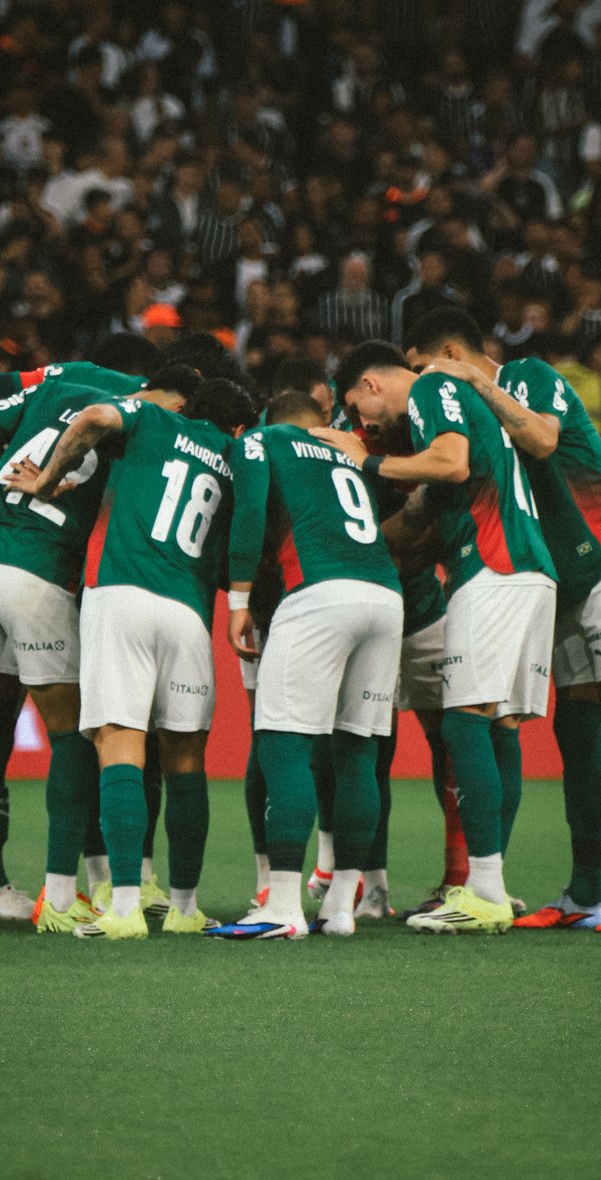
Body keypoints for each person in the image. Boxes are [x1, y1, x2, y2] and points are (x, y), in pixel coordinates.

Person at [0, 370, 192, 935]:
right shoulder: (144, 430)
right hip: (38, 573)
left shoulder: (58, 390)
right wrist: (51, 484)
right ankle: (61, 898)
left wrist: (0, 470)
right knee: (71, 737)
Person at [404, 306, 601, 933]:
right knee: (575, 732)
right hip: (564, 580)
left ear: (450, 353)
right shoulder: (471, 414)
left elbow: (544, 440)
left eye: (424, 367)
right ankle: (584, 894)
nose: (425, 382)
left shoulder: (526, 375)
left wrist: (477, 381)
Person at [316, 339, 558, 935]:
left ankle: (484, 890)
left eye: (359, 410)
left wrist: (365, 462)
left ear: (371, 385)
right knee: (498, 726)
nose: (365, 427)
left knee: (464, 724)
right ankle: (487, 886)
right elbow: (418, 515)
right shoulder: (448, 420)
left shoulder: (430, 388)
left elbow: (450, 463)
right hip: (527, 569)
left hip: (493, 566)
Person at [6, 378, 257, 940]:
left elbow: (96, 417)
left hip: (121, 594)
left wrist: (46, 481)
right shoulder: (236, 462)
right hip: (188, 611)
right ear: (238, 427)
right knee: (185, 759)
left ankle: (123, 907)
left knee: (119, 742)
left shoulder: (157, 420)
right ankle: (186, 908)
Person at [207, 389, 403, 939]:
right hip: (385, 599)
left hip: (318, 592)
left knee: (283, 743)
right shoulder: (350, 452)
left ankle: (282, 907)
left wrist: (239, 601)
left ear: (271, 419)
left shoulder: (264, 440)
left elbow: (249, 511)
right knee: (358, 752)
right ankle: (339, 908)